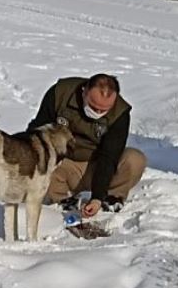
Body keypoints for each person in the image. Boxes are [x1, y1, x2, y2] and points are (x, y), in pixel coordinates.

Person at [28, 74, 146, 217]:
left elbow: (109, 156)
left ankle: (112, 198)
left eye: (103, 111)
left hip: (98, 165)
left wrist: (97, 197)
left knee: (135, 160)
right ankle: (61, 199)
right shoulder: (60, 93)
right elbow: (38, 132)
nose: (97, 113)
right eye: (94, 107)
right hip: (64, 163)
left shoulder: (120, 113)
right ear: (84, 92)